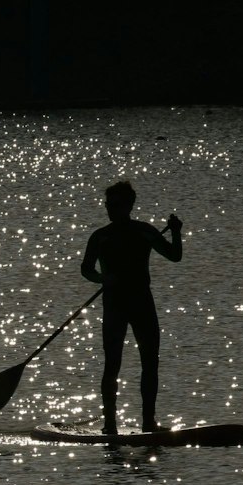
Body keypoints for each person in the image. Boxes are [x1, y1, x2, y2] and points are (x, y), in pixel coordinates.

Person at [80, 181, 182, 436]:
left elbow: (174, 256)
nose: (109, 210)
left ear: (128, 206)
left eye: (115, 205)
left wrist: (177, 231)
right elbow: (86, 269)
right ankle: (110, 425)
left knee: (150, 362)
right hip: (115, 305)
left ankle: (149, 422)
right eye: (107, 205)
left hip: (142, 304)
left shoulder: (144, 232)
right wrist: (103, 279)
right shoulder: (100, 236)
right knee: (112, 364)